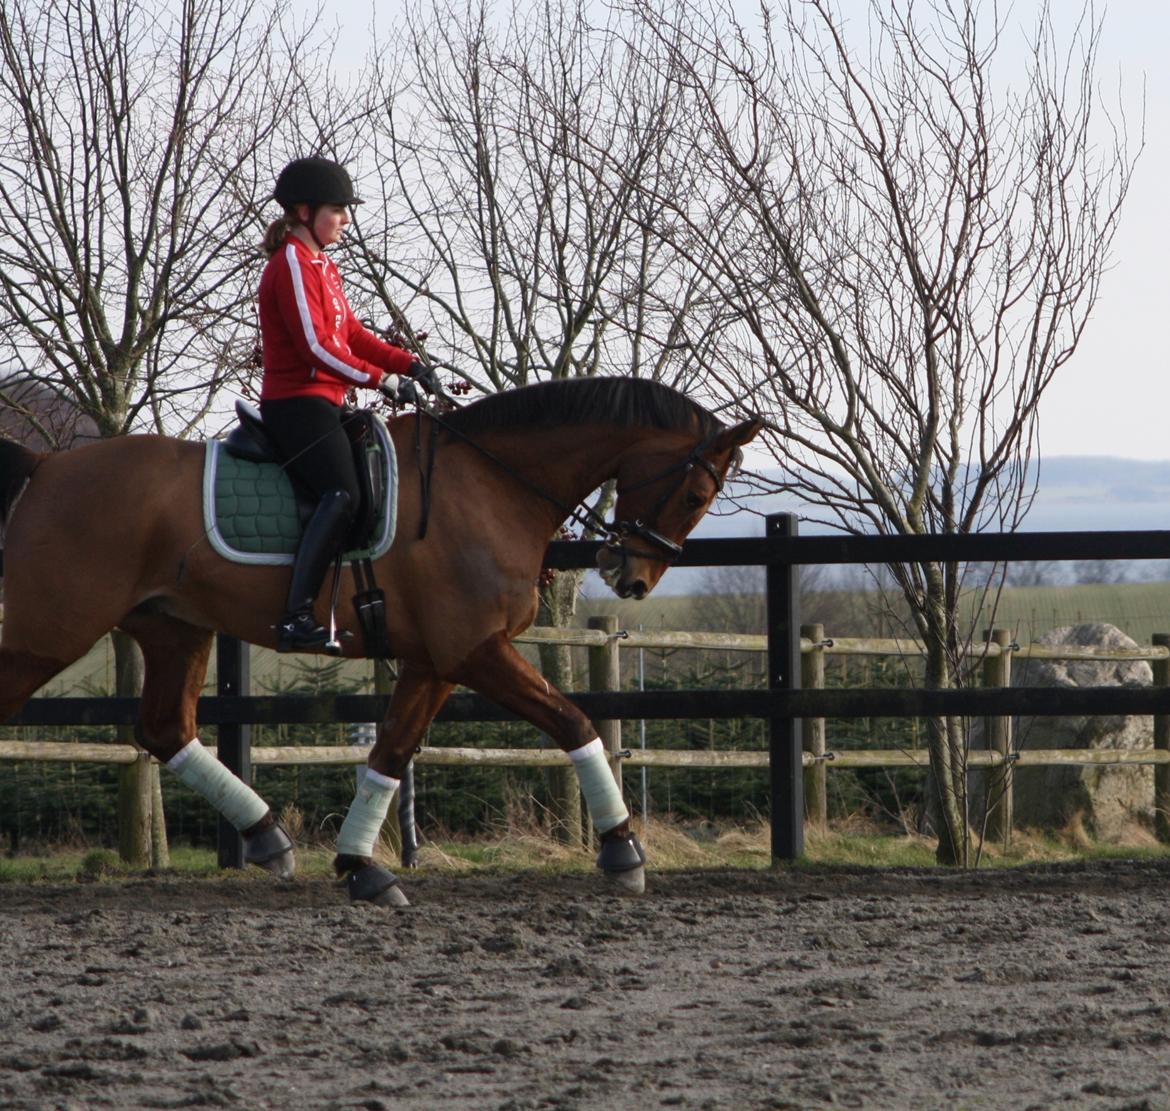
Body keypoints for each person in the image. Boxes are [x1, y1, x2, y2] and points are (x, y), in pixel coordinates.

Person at [258, 155, 422, 652]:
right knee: (342, 493)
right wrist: (382, 380)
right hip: (296, 404)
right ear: (304, 212)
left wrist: (409, 363)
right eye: (338, 209)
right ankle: (294, 617)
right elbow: (315, 347)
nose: (346, 219)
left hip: (325, 402)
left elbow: (351, 333)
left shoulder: (322, 266)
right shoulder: (290, 263)